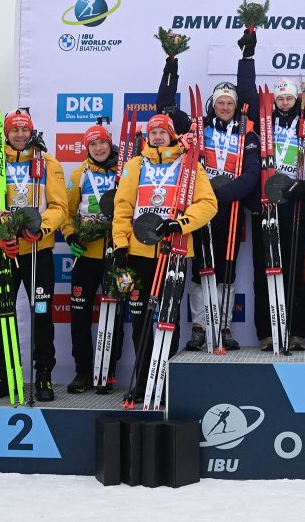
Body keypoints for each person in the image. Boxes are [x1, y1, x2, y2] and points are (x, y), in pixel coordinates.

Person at [155, 36, 260, 351]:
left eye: (230, 103)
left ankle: (224, 325)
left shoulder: (248, 133)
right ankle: (200, 325)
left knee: (227, 269)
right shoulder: (197, 128)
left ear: (235, 106)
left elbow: (252, 174)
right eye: (220, 103)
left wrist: (223, 196)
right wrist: (171, 65)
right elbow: (165, 109)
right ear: (213, 105)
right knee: (201, 269)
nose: (225, 107)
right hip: (199, 209)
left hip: (228, 207)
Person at [111, 114, 217, 400]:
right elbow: (122, 207)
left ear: (172, 135)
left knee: (167, 319)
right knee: (140, 320)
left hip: (174, 250)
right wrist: (120, 245)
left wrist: (179, 224)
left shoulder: (189, 165)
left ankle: (164, 381)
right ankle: (142, 382)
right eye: (153, 132)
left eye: (163, 132)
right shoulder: (135, 165)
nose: (158, 136)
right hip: (138, 253)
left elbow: (208, 204)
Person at [0, 109, 67, 401]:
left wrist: (43, 229)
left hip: (38, 249)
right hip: (2, 250)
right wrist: (0, 232)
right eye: (14, 130)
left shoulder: (47, 163)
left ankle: (43, 376)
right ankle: (5, 373)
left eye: (24, 130)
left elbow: (59, 206)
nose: (19, 135)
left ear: (31, 132)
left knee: (41, 314)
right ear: (6, 133)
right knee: (3, 315)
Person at [249, 77, 305, 351]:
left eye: (288, 99)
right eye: (279, 99)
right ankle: (267, 333)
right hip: (265, 207)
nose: (284, 103)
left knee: (293, 270)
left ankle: (296, 332)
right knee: (263, 271)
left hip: (294, 207)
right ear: (272, 103)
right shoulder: (261, 129)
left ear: (297, 101)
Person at [61, 123, 118, 393]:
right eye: (93, 144)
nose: (98, 148)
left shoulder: (124, 171)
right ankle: (83, 371)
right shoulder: (78, 175)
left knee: (113, 314)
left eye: (102, 143)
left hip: (114, 254)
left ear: (110, 143)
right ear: (87, 148)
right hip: (85, 256)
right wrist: (71, 237)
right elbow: (67, 213)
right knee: (80, 315)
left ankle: (108, 372)